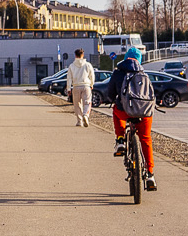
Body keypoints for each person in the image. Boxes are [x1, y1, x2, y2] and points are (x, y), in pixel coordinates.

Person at [108, 45, 158, 191]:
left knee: (116, 110)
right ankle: (150, 174)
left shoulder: (118, 73)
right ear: (139, 60)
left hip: (125, 111)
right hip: (144, 113)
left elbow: (110, 93)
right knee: (146, 139)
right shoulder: (143, 73)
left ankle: (121, 140)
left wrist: (114, 99)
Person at [65, 48, 96, 126]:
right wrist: (92, 84)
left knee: (77, 104)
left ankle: (79, 121)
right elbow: (92, 75)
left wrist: (69, 88)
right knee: (87, 102)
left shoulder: (71, 66)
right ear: (83, 55)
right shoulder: (88, 65)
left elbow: (69, 78)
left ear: (75, 55)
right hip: (86, 85)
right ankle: (85, 115)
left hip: (76, 86)